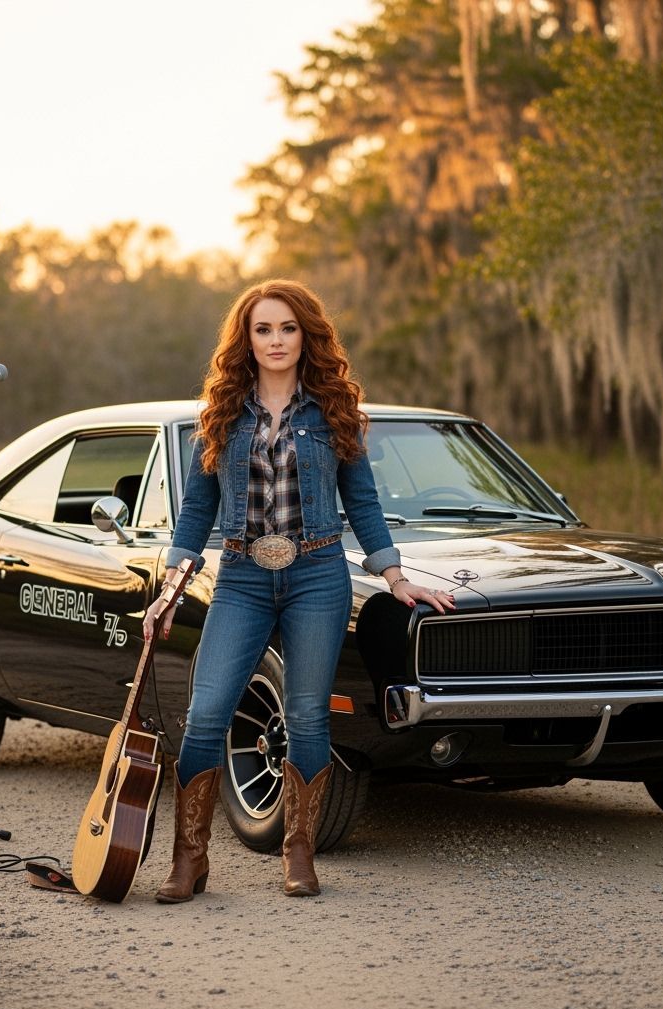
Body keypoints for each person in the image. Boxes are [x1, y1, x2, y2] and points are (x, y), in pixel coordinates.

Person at [144, 279, 454, 903]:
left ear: (306, 335)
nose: (276, 340)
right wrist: (169, 587)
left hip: (318, 573)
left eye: (287, 328)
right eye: (263, 329)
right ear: (246, 339)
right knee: (207, 712)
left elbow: (363, 504)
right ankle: (190, 859)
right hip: (241, 576)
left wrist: (395, 578)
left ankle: (299, 851)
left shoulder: (335, 410)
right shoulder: (223, 413)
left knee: (308, 714)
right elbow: (197, 509)